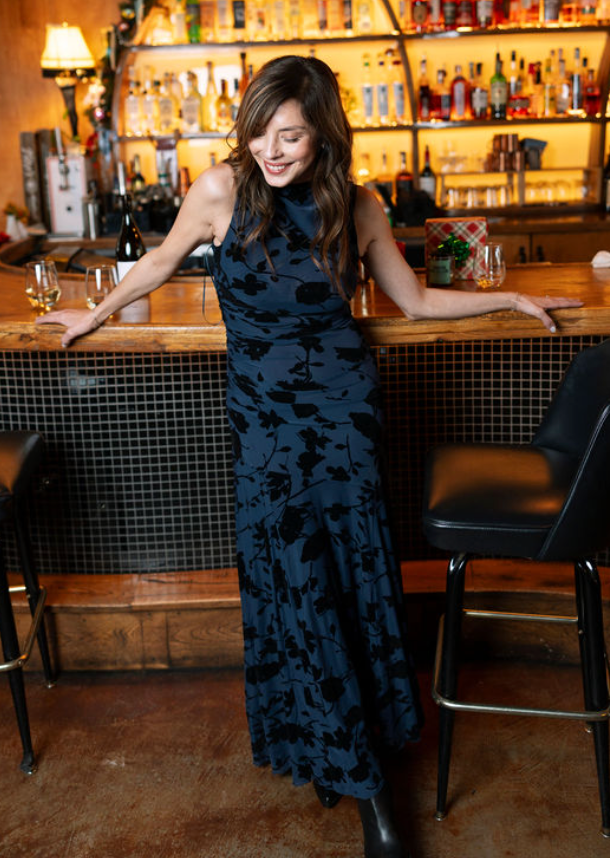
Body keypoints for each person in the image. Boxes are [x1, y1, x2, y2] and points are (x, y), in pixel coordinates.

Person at [38, 55, 582, 858]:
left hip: (344, 417)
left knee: (351, 581)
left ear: (323, 134)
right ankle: (334, 748)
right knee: (294, 581)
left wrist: (509, 295)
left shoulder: (357, 203)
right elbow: (157, 261)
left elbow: (413, 300)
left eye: (289, 135)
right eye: (260, 132)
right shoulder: (220, 191)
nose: (270, 148)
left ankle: (363, 772)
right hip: (264, 424)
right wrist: (95, 311)